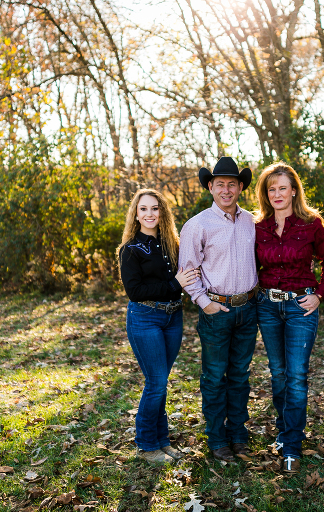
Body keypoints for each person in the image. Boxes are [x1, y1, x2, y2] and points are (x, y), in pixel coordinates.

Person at [254, 162, 324, 473]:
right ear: (266, 193)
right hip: (267, 306)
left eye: (282, 188)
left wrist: (319, 295)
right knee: (278, 374)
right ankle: (285, 427)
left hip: (300, 307)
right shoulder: (258, 226)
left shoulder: (311, 224)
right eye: (271, 188)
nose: (277, 193)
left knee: (297, 375)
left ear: (294, 191)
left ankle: (292, 444)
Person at [178, 156, 258, 462]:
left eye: (232, 184)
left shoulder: (251, 221)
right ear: (210, 187)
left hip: (247, 308)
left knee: (239, 374)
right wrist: (204, 303)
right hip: (217, 309)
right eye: (220, 184)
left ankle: (238, 432)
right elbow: (187, 270)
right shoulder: (197, 225)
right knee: (214, 375)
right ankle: (216, 436)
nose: (227, 190)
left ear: (240, 187)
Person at [118, 189, 200, 464]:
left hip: (172, 317)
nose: (150, 214)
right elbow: (136, 291)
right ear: (136, 214)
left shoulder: (172, 244)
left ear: (162, 212)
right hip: (145, 318)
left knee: (161, 382)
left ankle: (162, 441)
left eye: (155, 208)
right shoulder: (130, 250)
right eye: (144, 209)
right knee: (156, 382)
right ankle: (146, 445)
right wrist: (176, 284)